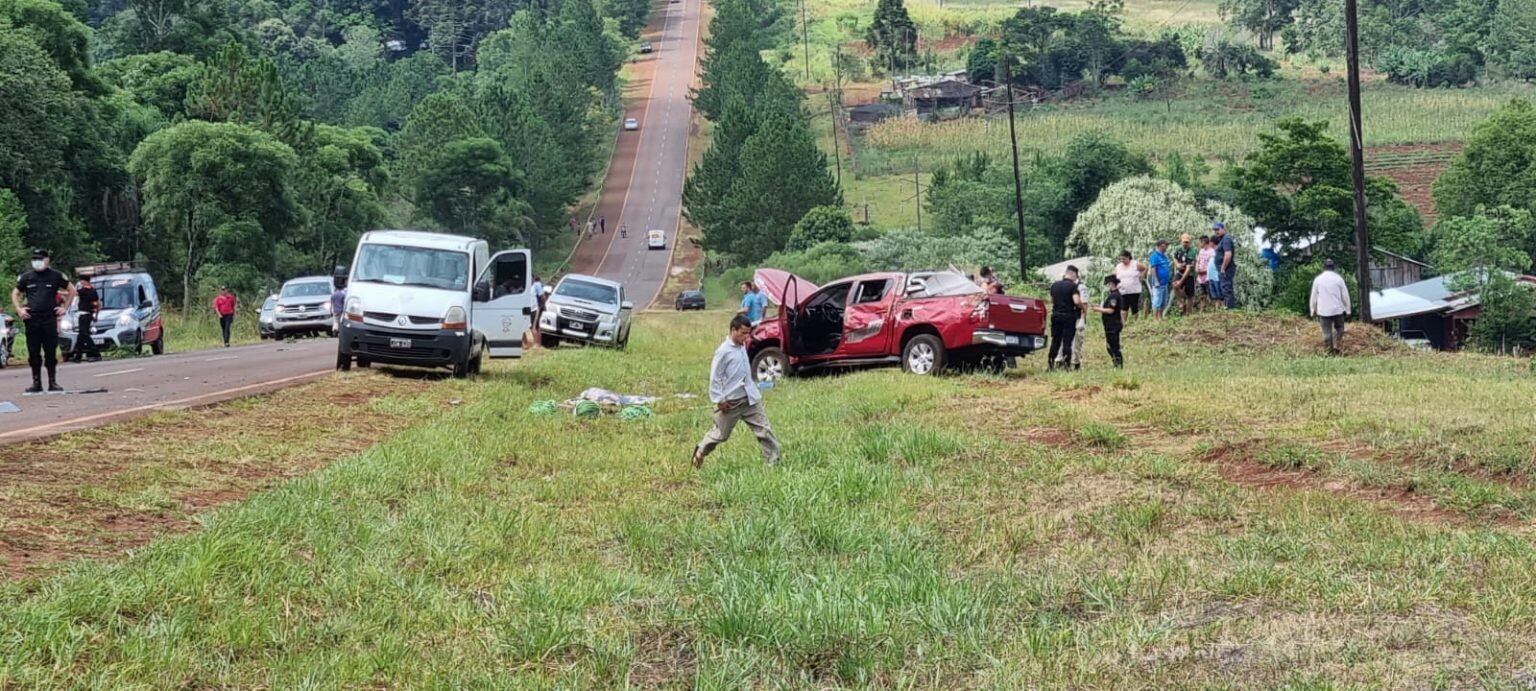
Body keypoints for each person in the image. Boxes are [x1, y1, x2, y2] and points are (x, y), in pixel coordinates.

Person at [693, 315, 781, 468]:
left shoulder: (742, 347)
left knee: (764, 430)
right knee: (721, 434)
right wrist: (719, 400)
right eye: (743, 333)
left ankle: (773, 462)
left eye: (748, 333)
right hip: (731, 403)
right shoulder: (723, 352)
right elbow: (715, 377)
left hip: (750, 399)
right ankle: (701, 450)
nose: (746, 337)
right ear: (733, 330)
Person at [13, 249, 75, 393]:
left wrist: (64, 307)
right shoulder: (27, 277)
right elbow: (15, 293)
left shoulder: (56, 276)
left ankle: (53, 382)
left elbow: (72, 290)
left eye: (40, 258)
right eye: (35, 259)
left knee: (50, 352)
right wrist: (19, 309)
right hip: (32, 319)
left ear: (47, 260)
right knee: (33, 352)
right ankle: (36, 383)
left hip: (49, 318)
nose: (37, 261)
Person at [1310, 259, 1352, 355]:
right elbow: (1345, 295)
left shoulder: (1318, 280)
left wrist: (1313, 310)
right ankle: (1337, 346)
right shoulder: (1339, 279)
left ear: (1323, 267)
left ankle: (1329, 352)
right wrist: (1348, 309)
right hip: (1337, 310)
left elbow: (1314, 296)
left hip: (1323, 311)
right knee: (1340, 328)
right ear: (1333, 268)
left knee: (1326, 333)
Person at [1046, 265, 1084, 371]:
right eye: (1076, 276)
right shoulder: (1073, 287)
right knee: (1067, 341)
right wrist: (1082, 307)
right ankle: (1066, 366)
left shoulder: (1054, 285)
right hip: (1068, 316)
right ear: (1072, 274)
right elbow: (1076, 301)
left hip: (1056, 316)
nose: (1076, 278)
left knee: (1055, 341)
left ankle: (1050, 364)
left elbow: (1051, 300)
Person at [1090, 275, 1125, 368]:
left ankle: (1118, 364)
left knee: (1113, 346)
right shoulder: (1113, 295)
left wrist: (1098, 309)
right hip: (1111, 324)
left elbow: (1111, 310)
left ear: (1112, 284)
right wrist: (1100, 307)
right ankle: (1116, 364)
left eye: (1108, 284)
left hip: (1112, 324)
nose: (1107, 286)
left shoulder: (1114, 296)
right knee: (1111, 345)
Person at [71, 275, 102, 363]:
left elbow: (74, 293)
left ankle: (96, 354)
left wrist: (58, 291)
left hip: (84, 315)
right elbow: (98, 304)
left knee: (84, 335)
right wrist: (96, 316)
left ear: (84, 281)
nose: (80, 282)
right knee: (80, 336)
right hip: (89, 315)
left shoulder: (84, 291)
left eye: (81, 281)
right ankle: (78, 356)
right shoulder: (93, 290)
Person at [1112, 251, 1145, 321]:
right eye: (1121, 259)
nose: (1122, 260)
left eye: (1124, 259)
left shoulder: (1135, 264)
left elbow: (1144, 268)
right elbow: (1114, 276)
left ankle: (1135, 322)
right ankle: (1123, 323)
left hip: (1134, 290)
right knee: (1124, 306)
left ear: (1128, 257)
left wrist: (1142, 276)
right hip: (1122, 290)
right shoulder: (1118, 266)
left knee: (1134, 306)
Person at [1213, 221, 1237, 309]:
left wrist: (1223, 267)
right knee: (1225, 288)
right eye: (1215, 230)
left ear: (1223, 229)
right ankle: (1229, 308)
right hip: (1223, 269)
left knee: (1227, 288)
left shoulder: (1226, 239)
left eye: (1218, 229)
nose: (1216, 231)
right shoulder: (1222, 239)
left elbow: (1228, 254)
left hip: (1226, 269)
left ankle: (1230, 309)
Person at [1172, 234, 1197, 315]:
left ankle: (1189, 312)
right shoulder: (1178, 249)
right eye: (1184, 242)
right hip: (1179, 271)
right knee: (1175, 285)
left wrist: (1181, 281)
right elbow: (1174, 257)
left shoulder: (1192, 251)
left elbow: (1189, 268)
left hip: (1189, 274)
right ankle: (1180, 303)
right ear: (1181, 241)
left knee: (1190, 295)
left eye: (1187, 242)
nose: (1185, 244)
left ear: (1189, 242)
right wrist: (1176, 264)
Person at [1148, 240, 1173, 321]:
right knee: (1157, 301)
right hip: (1158, 283)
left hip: (1165, 283)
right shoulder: (1154, 256)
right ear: (1160, 245)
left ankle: (1160, 317)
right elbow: (1153, 268)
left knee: (1163, 301)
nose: (1167, 247)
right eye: (1165, 245)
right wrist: (1155, 280)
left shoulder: (1164, 256)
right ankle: (1155, 319)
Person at [1070, 271, 1090, 370]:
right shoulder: (1069, 285)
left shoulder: (1081, 287)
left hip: (1078, 317)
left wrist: (1082, 318)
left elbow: (1084, 304)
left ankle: (1076, 363)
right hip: (1069, 317)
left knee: (1077, 341)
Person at [1195, 235, 1215, 312]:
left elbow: (1211, 265)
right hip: (1200, 278)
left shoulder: (1212, 252)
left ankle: (1214, 311)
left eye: (1200, 242)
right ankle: (1201, 310)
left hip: (1208, 277)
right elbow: (1198, 261)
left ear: (1204, 242)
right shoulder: (1201, 251)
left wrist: (1203, 271)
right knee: (1202, 295)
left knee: (1211, 295)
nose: (1199, 243)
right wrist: (1197, 269)